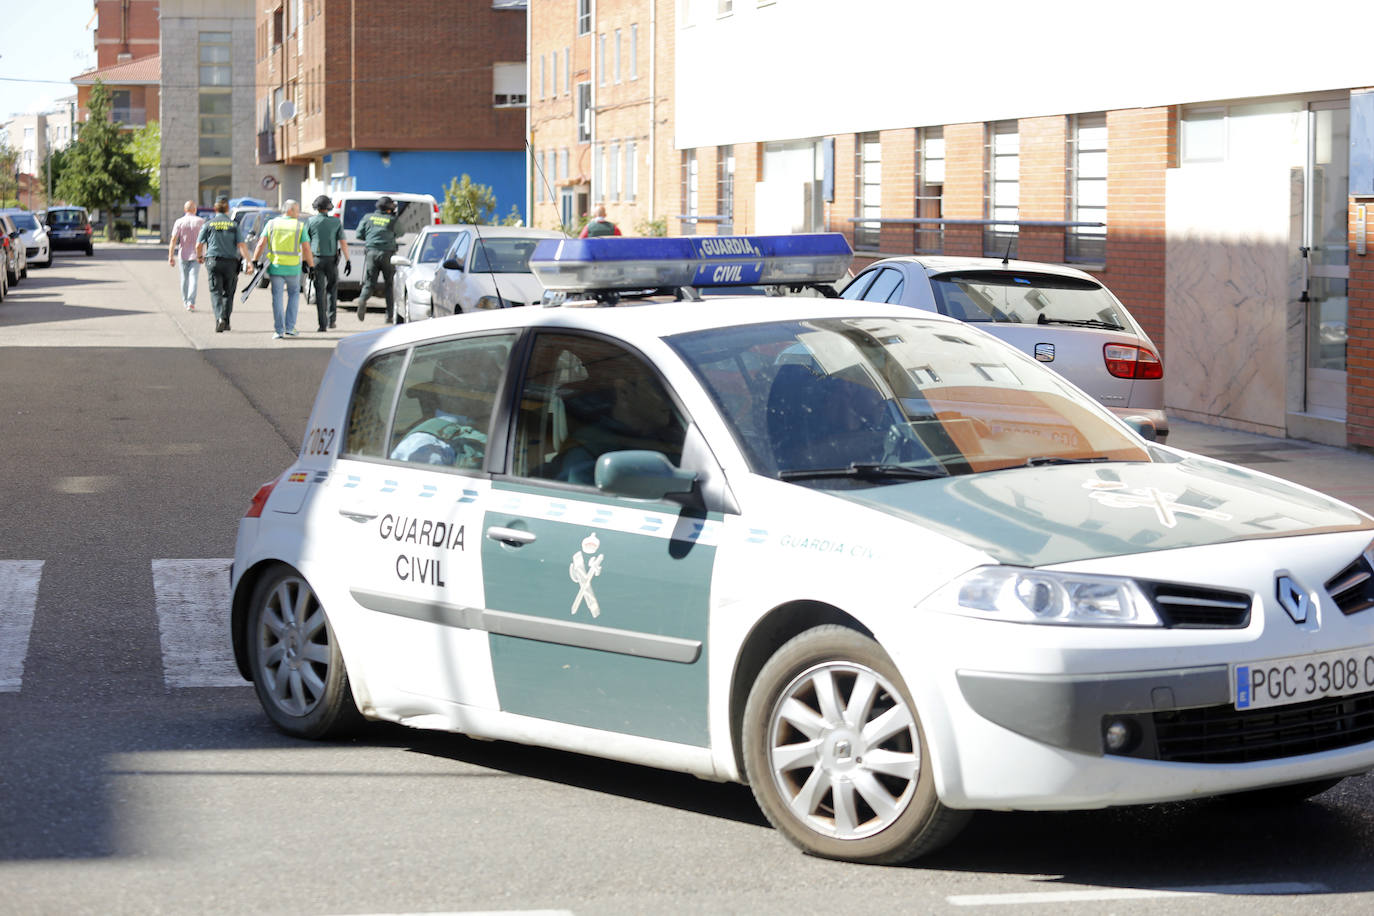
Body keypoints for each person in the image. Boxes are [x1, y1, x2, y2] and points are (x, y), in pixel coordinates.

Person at [251, 199, 315, 340]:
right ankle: (290, 327)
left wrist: (255, 260)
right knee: (294, 296)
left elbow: (261, 244)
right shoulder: (299, 226)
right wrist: (310, 265)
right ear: (290, 210)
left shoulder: (271, 224)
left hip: (276, 268)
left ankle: (279, 330)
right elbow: (306, 248)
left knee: (277, 298)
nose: (298, 214)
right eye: (297, 210)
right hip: (293, 268)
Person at [194, 196, 253, 333]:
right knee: (229, 292)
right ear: (227, 209)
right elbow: (242, 245)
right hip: (230, 263)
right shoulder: (233, 225)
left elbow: (199, 245)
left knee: (216, 292)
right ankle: (226, 321)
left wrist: (199, 256)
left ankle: (220, 318)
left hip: (213, 261)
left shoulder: (208, 224)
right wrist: (249, 262)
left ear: (215, 208)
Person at [303, 195, 351, 331]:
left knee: (319, 291)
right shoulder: (336, 222)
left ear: (316, 207)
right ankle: (332, 321)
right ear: (329, 208)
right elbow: (343, 243)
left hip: (316, 260)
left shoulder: (310, 221)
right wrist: (348, 260)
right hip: (331, 261)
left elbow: (305, 244)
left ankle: (322, 324)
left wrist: (304, 261)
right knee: (332, 290)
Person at [355, 195, 399, 323]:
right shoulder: (392, 220)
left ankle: (362, 299)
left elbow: (359, 234)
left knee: (369, 282)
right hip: (387, 254)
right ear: (389, 208)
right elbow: (401, 232)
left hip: (371, 253)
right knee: (389, 284)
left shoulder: (368, 217)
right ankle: (389, 315)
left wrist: (371, 239)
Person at [168, 201, 205, 311]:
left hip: (183, 254)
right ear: (195, 210)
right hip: (197, 255)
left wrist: (170, 256)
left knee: (184, 278)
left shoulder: (179, 222)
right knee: (194, 278)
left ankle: (185, 301)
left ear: (185, 210)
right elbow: (205, 239)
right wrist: (205, 254)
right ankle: (191, 302)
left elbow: (173, 239)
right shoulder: (200, 221)